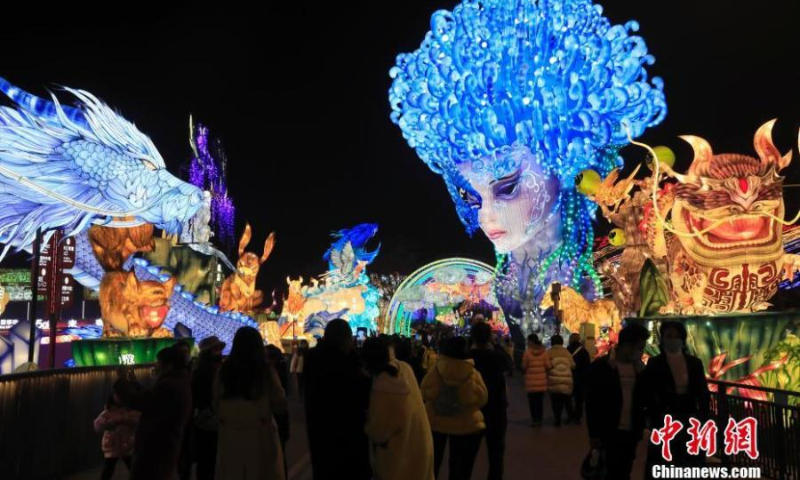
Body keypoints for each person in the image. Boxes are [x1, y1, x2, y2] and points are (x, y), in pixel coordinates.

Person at [214, 326, 287, 480]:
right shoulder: (265, 371)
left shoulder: (223, 370)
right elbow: (280, 403)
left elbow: (215, 401)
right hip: (259, 434)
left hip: (230, 435)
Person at [305, 319, 373, 480]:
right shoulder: (348, 363)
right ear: (345, 339)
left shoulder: (312, 358)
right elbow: (363, 393)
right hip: (349, 438)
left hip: (320, 434)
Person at [643, 321, 710, 478]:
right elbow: (649, 391)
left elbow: (702, 391)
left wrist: (703, 416)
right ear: (663, 338)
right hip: (664, 420)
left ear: (683, 338)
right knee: (664, 460)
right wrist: (654, 416)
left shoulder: (695, 363)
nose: (673, 339)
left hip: (690, 418)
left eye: (676, 336)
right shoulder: (654, 363)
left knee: (688, 462)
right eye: (669, 336)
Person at [114, 346, 192, 480]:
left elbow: (139, 401)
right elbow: (152, 399)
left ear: (169, 365)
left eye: (158, 362)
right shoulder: (180, 382)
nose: (156, 365)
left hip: (155, 450)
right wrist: (134, 383)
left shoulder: (169, 385)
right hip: (166, 446)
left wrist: (121, 380)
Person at [362, 337, 435, 480]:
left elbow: (379, 432)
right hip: (420, 444)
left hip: (398, 458)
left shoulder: (383, 386)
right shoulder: (404, 369)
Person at [586, 322, 650, 480]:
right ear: (627, 345)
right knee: (609, 471)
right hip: (608, 432)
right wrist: (594, 434)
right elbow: (592, 403)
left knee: (625, 470)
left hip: (631, 432)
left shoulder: (640, 369)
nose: (640, 352)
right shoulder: (601, 367)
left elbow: (645, 398)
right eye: (639, 347)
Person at [420, 336, 488, 480]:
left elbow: (424, 392)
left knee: (433, 461)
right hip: (466, 424)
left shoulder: (436, 370)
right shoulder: (472, 373)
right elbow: (482, 398)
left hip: (436, 421)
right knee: (460, 465)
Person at [470, 322, 513, 480]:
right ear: (490, 337)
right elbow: (509, 363)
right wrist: (496, 345)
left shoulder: (468, 357)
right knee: (496, 455)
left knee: (467, 455)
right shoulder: (497, 356)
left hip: (472, 410)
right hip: (496, 410)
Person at [191, 336, 225, 480]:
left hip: (211, 418)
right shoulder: (203, 371)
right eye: (216, 350)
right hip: (207, 419)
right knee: (207, 460)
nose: (219, 353)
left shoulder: (215, 369)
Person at [94, 389, 140, 480]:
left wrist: (124, 420)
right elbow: (98, 425)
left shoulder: (128, 412)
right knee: (109, 469)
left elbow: (136, 422)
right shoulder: (108, 412)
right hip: (114, 443)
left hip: (125, 442)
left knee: (131, 468)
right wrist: (112, 422)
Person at [266, 343, 291, 478]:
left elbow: (280, 400)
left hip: (275, 421)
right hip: (279, 420)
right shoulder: (277, 370)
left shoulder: (272, 372)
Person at [521, 334, 550, 426]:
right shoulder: (544, 352)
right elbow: (548, 366)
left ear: (531, 341)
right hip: (542, 381)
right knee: (540, 403)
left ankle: (535, 420)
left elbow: (524, 366)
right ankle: (540, 419)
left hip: (530, 382)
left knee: (532, 403)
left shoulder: (527, 353)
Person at [547, 334, 575, 426]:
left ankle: (557, 420)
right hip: (566, 379)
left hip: (554, 380)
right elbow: (573, 365)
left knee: (555, 402)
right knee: (567, 400)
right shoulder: (566, 352)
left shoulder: (548, 352)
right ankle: (571, 417)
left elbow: (547, 366)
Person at [567, 333, 591, 424]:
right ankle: (578, 417)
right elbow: (587, 365)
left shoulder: (567, 350)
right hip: (581, 378)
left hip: (570, 376)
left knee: (568, 398)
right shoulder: (584, 351)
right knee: (579, 399)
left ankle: (570, 415)